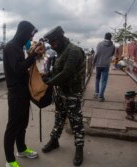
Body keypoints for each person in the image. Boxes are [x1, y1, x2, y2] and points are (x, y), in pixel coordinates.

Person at [42, 26, 86, 166]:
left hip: (72, 92)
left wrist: (49, 83)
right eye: (51, 44)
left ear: (60, 39)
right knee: (59, 117)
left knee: (76, 121)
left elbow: (67, 72)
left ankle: (79, 148)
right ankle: (54, 141)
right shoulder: (60, 52)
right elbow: (57, 70)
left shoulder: (73, 51)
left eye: (54, 43)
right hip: (61, 91)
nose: (52, 46)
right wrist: (47, 75)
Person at [3, 20, 44, 167]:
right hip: (15, 94)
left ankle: (21, 149)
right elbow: (19, 68)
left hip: (23, 92)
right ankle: (9, 160)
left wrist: (34, 55)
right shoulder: (11, 47)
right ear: (23, 32)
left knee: (23, 123)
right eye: (29, 35)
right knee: (13, 126)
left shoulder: (19, 47)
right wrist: (32, 55)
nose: (30, 38)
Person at [93, 32, 115, 102]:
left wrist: (94, 63)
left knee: (97, 78)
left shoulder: (99, 44)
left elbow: (96, 54)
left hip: (99, 64)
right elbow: (112, 54)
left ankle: (96, 93)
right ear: (110, 38)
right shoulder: (113, 46)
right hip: (106, 65)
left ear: (104, 37)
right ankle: (101, 96)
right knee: (104, 81)